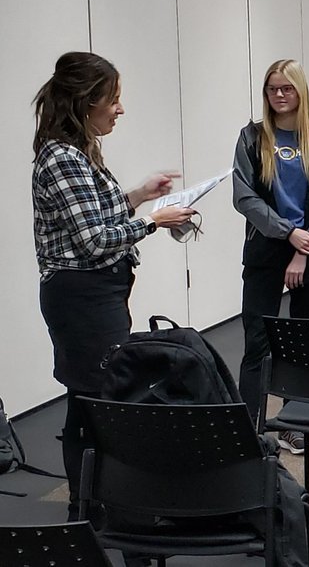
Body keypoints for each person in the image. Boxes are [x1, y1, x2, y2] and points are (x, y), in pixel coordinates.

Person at [32, 51, 196, 518]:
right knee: (98, 399)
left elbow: (94, 217)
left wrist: (140, 195)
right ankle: (95, 508)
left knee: (89, 398)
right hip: (81, 298)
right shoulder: (62, 158)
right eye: (113, 99)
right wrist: (154, 221)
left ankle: (91, 507)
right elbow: (94, 240)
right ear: (86, 102)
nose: (120, 109)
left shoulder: (76, 152)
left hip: (94, 294)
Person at [233, 59, 309, 454]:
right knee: (257, 343)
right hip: (266, 250)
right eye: (272, 89)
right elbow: (244, 197)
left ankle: (293, 426)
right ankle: (249, 430)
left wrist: (302, 247)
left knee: (300, 344)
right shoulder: (251, 138)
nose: (279, 95)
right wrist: (287, 233)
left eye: (287, 88)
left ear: (301, 92)